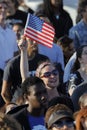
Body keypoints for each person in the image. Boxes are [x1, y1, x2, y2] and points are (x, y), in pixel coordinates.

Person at [1, 36, 49, 104]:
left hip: (41, 100)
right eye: (31, 40)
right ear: (23, 41)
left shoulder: (44, 60)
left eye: (36, 40)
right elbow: (5, 92)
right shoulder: (13, 64)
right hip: (21, 103)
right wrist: (13, 106)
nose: (35, 42)